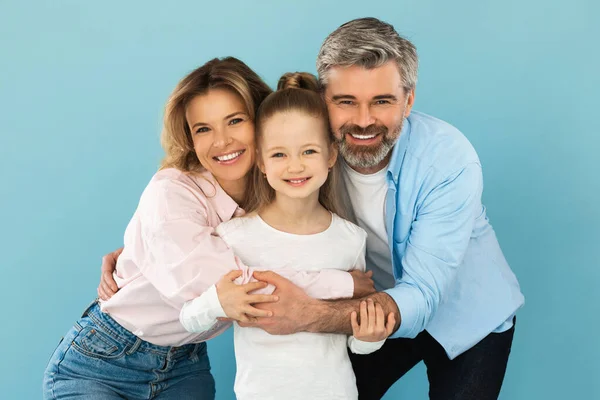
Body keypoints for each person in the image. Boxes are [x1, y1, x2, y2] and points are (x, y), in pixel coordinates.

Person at [99, 17, 525, 400]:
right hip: (366, 306)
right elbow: (207, 225)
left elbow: (424, 294)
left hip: (462, 314)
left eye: (382, 101)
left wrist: (311, 312)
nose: (362, 120)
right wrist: (136, 258)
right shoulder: (305, 158)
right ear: (322, 100)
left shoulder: (448, 160)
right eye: (345, 101)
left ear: (408, 101)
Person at [43, 57, 374, 400]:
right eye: (203, 129)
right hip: (106, 359)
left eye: (235, 121)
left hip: (186, 362)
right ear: (189, 138)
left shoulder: (279, 189)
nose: (222, 141)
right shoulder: (171, 191)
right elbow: (226, 286)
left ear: (262, 123)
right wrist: (343, 281)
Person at [180, 72, 395, 400]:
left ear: (331, 155)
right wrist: (216, 302)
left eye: (308, 151)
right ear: (262, 163)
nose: (295, 166)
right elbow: (188, 319)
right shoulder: (235, 237)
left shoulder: (351, 239)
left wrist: (370, 338)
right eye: (279, 154)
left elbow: (352, 335)